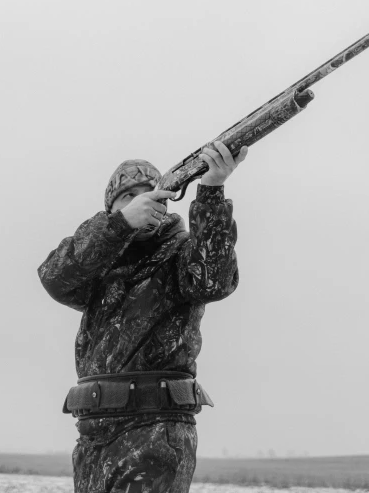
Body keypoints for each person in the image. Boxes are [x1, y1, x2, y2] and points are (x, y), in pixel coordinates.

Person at [38, 141, 248, 493]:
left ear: (166, 200)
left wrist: (211, 189)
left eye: (150, 192)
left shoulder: (181, 251)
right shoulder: (98, 263)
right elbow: (54, 277)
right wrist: (119, 226)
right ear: (113, 208)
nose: (141, 200)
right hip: (93, 433)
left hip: (155, 431)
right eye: (128, 196)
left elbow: (214, 280)